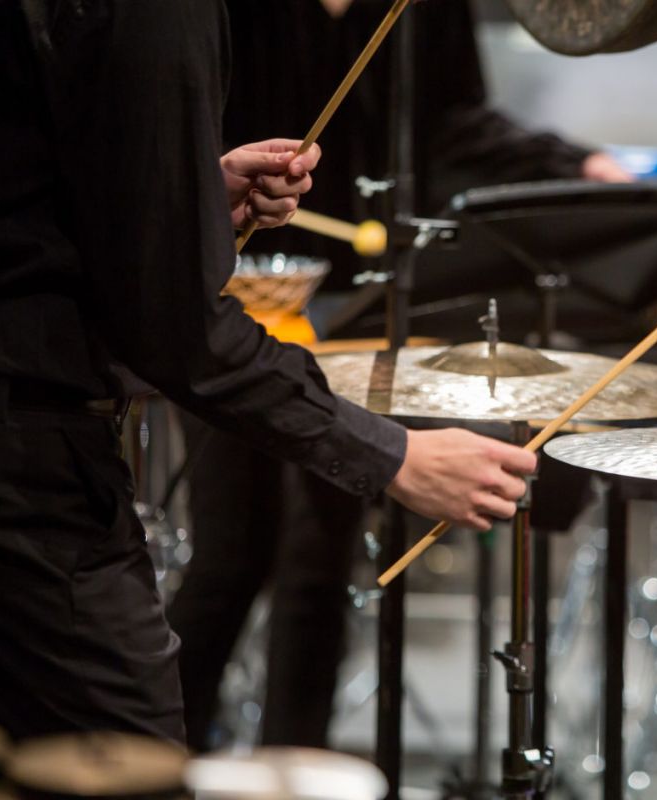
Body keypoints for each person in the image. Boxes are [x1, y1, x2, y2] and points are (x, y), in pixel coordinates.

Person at [0, 0, 533, 742]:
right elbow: (175, 323)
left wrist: (187, 201)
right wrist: (394, 454)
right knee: (127, 757)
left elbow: (36, 187)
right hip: (19, 457)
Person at [167, 0, 630, 750]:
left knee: (320, 561)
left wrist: (572, 163)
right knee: (231, 555)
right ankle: (158, 765)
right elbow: (174, 123)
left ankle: (298, 771)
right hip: (238, 291)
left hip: (364, 296)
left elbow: (457, 119)